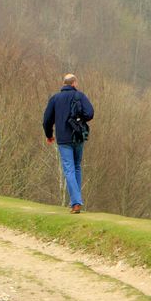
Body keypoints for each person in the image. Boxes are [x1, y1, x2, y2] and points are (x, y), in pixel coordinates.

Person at [43, 73, 94, 213]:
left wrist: (49, 135)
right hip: (78, 136)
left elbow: (47, 120)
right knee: (77, 167)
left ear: (64, 83)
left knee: (69, 169)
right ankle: (76, 201)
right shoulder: (80, 96)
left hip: (63, 139)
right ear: (74, 83)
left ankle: (76, 202)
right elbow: (90, 113)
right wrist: (79, 118)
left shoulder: (55, 98)